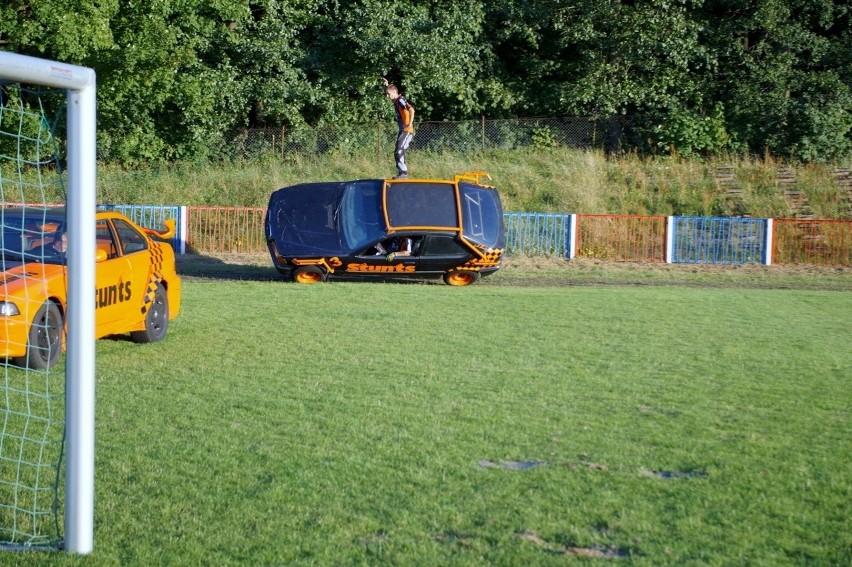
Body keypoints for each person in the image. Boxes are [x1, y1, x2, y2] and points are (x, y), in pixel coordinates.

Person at [383, 77, 415, 179]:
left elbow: (412, 110)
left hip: (407, 130)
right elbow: (392, 90)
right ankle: (402, 172)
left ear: (394, 92)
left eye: (388, 94)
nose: (387, 96)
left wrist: (409, 124)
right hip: (403, 130)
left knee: (399, 150)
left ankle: (403, 173)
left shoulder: (400, 100)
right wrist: (387, 85)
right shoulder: (397, 100)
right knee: (398, 151)